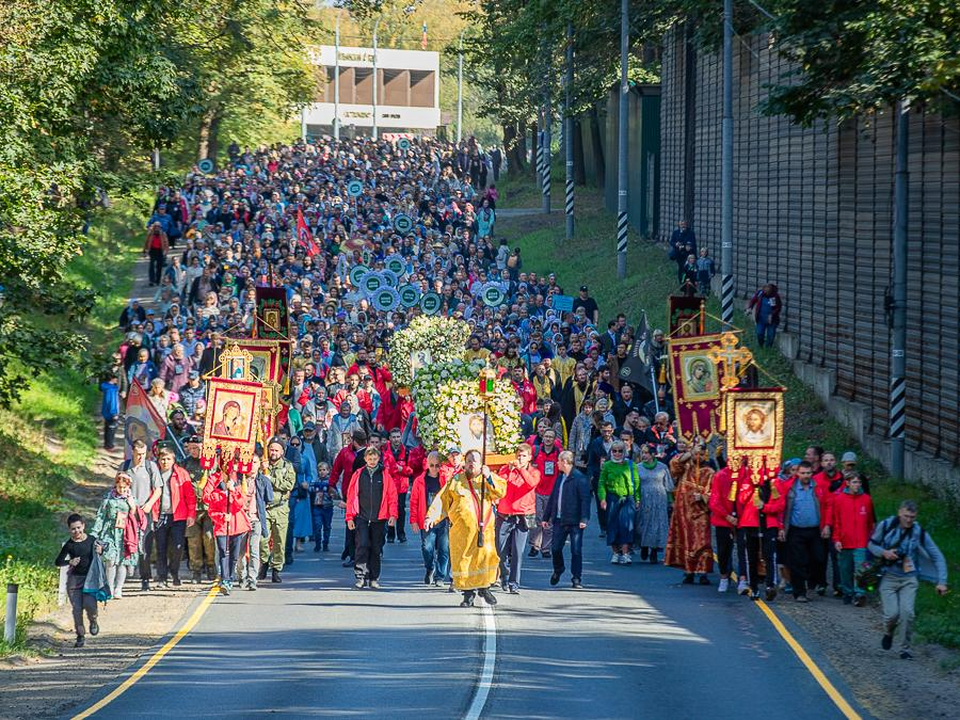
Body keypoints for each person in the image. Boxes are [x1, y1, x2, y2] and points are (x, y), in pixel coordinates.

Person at [425, 449, 506, 607]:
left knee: (484, 559)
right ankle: (468, 595)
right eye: (468, 461)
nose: (471, 464)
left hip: (484, 531)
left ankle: (484, 588)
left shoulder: (487, 478)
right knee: (465, 562)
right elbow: (443, 499)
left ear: (480, 463)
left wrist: (488, 476)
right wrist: (432, 517)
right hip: (462, 533)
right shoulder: (456, 480)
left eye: (474, 461)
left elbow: (500, 492)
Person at [868, 500, 948, 659]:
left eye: (912, 517)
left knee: (907, 613)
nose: (909, 520)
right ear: (899, 513)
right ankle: (888, 632)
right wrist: (884, 553)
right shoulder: (886, 525)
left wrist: (942, 581)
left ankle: (904, 649)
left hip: (909, 578)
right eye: (906, 516)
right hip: (888, 576)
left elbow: (937, 556)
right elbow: (871, 544)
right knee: (892, 614)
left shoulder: (919, 532)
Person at [345, 445, 398, 589]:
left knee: (376, 548)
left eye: (375, 458)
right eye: (370, 459)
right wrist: (349, 517)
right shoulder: (358, 474)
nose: (373, 461)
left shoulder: (384, 475)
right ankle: (361, 576)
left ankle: (374, 578)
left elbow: (392, 496)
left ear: (379, 458)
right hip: (362, 516)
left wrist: (393, 515)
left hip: (379, 518)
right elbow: (351, 496)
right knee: (361, 545)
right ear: (365, 459)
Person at [782, 461, 831, 602]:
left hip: (815, 529)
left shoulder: (818, 487)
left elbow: (828, 505)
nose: (806, 476)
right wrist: (781, 528)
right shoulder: (790, 488)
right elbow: (782, 509)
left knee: (818, 558)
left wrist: (826, 525)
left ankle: (812, 584)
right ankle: (799, 592)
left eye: (808, 473)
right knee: (797, 561)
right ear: (797, 473)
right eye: (803, 473)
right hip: (796, 530)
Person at [665, 444, 715, 583]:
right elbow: (673, 464)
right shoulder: (685, 468)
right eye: (695, 454)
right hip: (683, 511)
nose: (697, 457)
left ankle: (703, 571)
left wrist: (704, 497)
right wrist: (689, 451)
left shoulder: (709, 472)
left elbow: (714, 493)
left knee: (702, 542)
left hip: (700, 513)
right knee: (686, 541)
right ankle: (689, 571)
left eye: (700, 454)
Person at [202, 457, 252, 595]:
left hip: (237, 522)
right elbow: (206, 497)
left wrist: (233, 490)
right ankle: (225, 580)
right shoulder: (213, 478)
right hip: (221, 522)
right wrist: (221, 495)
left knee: (235, 555)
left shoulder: (238, 478)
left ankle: (230, 576)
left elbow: (241, 502)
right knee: (224, 551)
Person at [495, 443, 540, 594]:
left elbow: (530, 484)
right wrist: (509, 470)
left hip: (523, 516)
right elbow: (499, 485)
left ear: (529, 458)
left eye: (523, 456)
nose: (520, 459)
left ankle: (514, 583)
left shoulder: (534, 472)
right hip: (505, 514)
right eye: (518, 456)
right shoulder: (506, 470)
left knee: (517, 551)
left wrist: (520, 470)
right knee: (500, 550)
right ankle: (505, 575)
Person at [543, 451, 591, 589]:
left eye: (558, 461)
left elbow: (585, 500)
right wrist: (546, 517)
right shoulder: (560, 478)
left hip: (575, 520)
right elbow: (553, 498)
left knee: (576, 550)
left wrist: (584, 518)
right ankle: (558, 569)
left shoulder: (579, 478)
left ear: (564, 461)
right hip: (559, 519)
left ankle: (576, 578)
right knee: (555, 548)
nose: (557, 463)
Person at [90, 472, 142, 599]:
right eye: (120, 487)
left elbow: (137, 518)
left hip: (125, 533)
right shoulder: (108, 499)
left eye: (125, 488)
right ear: (115, 485)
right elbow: (101, 516)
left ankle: (119, 588)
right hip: (109, 532)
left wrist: (132, 507)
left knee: (122, 561)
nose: (122, 490)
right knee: (110, 560)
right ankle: (110, 587)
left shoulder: (132, 500)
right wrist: (95, 532)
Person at [55, 514, 103, 647]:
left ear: (83, 526)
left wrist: (101, 550)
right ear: (69, 530)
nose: (77, 531)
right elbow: (58, 561)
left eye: (78, 528)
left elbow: (102, 548)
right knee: (77, 609)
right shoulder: (69, 545)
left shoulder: (92, 540)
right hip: (74, 581)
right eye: (73, 529)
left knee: (90, 606)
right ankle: (80, 635)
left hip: (90, 580)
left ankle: (93, 620)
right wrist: (69, 561)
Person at [153, 446, 197, 587]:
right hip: (160, 515)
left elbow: (190, 496)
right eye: (162, 459)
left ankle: (174, 572)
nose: (165, 462)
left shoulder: (181, 473)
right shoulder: (154, 473)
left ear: (173, 460)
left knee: (178, 547)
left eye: (168, 459)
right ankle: (162, 577)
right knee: (161, 547)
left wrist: (191, 514)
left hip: (178, 516)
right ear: (158, 460)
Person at [123, 439, 162, 591]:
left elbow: (158, 489)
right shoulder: (125, 466)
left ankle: (145, 578)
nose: (141, 457)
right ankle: (124, 574)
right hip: (127, 511)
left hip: (145, 512)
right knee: (126, 542)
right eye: (138, 454)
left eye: (143, 454)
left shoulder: (150, 466)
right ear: (132, 452)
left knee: (145, 545)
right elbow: (118, 487)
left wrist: (150, 504)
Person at [831, 473, 874, 606]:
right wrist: (837, 539)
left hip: (861, 541)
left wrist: (869, 539)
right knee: (845, 569)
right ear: (848, 483)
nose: (857, 485)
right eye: (854, 482)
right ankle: (847, 592)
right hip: (845, 541)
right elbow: (836, 521)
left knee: (860, 569)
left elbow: (870, 522)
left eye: (859, 482)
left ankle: (859, 593)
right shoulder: (839, 500)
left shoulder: (866, 499)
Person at [409, 451, 450, 587]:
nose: (434, 468)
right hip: (426, 519)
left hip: (443, 519)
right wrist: (413, 520)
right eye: (431, 465)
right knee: (427, 548)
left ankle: (440, 576)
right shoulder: (419, 481)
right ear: (427, 464)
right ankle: (429, 567)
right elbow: (414, 501)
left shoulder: (445, 478)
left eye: (437, 465)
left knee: (444, 549)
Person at [258, 437, 296, 583]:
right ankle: (264, 562)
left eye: (276, 450)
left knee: (280, 540)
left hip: (280, 508)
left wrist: (271, 479)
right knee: (263, 539)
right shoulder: (263, 465)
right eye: (271, 449)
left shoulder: (287, 466)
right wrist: (262, 470)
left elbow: (289, 485)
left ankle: (276, 568)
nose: (273, 452)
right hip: (265, 508)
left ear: (282, 451)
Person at [598, 441, 641, 564]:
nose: (617, 453)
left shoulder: (631, 465)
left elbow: (637, 483)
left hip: (628, 498)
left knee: (627, 526)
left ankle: (626, 553)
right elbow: (601, 483)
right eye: (614, 450)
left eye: (620, 451)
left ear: (624, 452)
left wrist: (637, 499)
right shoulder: (607, 465)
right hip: (612, 498)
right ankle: (616, 553)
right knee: (613, 526)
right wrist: (602, 499)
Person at [238, 453, 275, 591]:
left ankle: (253, 578)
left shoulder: (263, 480)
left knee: (254, 550)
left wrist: (268, 479)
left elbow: (269, 498)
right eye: (249, 462)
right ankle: (242, 575)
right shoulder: (239, 480)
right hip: (241, 519)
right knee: (240, 552)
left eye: (255, 462)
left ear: (259, 464)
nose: (252, 466)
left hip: (256, 519)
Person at [634, 444, 674, 565]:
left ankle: (654, 551)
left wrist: (671, 501)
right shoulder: (638, 467)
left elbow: (668, 485)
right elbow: (635, 485)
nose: (644, 455)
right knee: (643, 523)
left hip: (659, 499)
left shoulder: (662, 467)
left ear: (652, 454)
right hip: (644, 498)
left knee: (657, 524)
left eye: (646, 453)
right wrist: (636, 499)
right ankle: (644, 546)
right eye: (642, 453)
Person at [528, 428, 561, 558]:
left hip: (551, 491)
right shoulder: (536, 451)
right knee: (536, 519)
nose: (548, 439)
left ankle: (546, 548)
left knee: (549, 521)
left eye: (551, 437)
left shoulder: (558, 453)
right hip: (536, 490)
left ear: (554, 439)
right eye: (546, 436)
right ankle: (534, 545)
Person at [747, 283, 783, 347]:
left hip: (772, 320)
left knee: (771, 335)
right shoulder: (760, 294)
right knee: (759, 333)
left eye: (768, 290)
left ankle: (768, 348)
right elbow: (753, 301)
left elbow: (778, 307)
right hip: (761, 319)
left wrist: (772, 314)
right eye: (765, 290)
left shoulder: (775, 296)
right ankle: (761, 346)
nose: (766, 292)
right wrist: (750, 308)